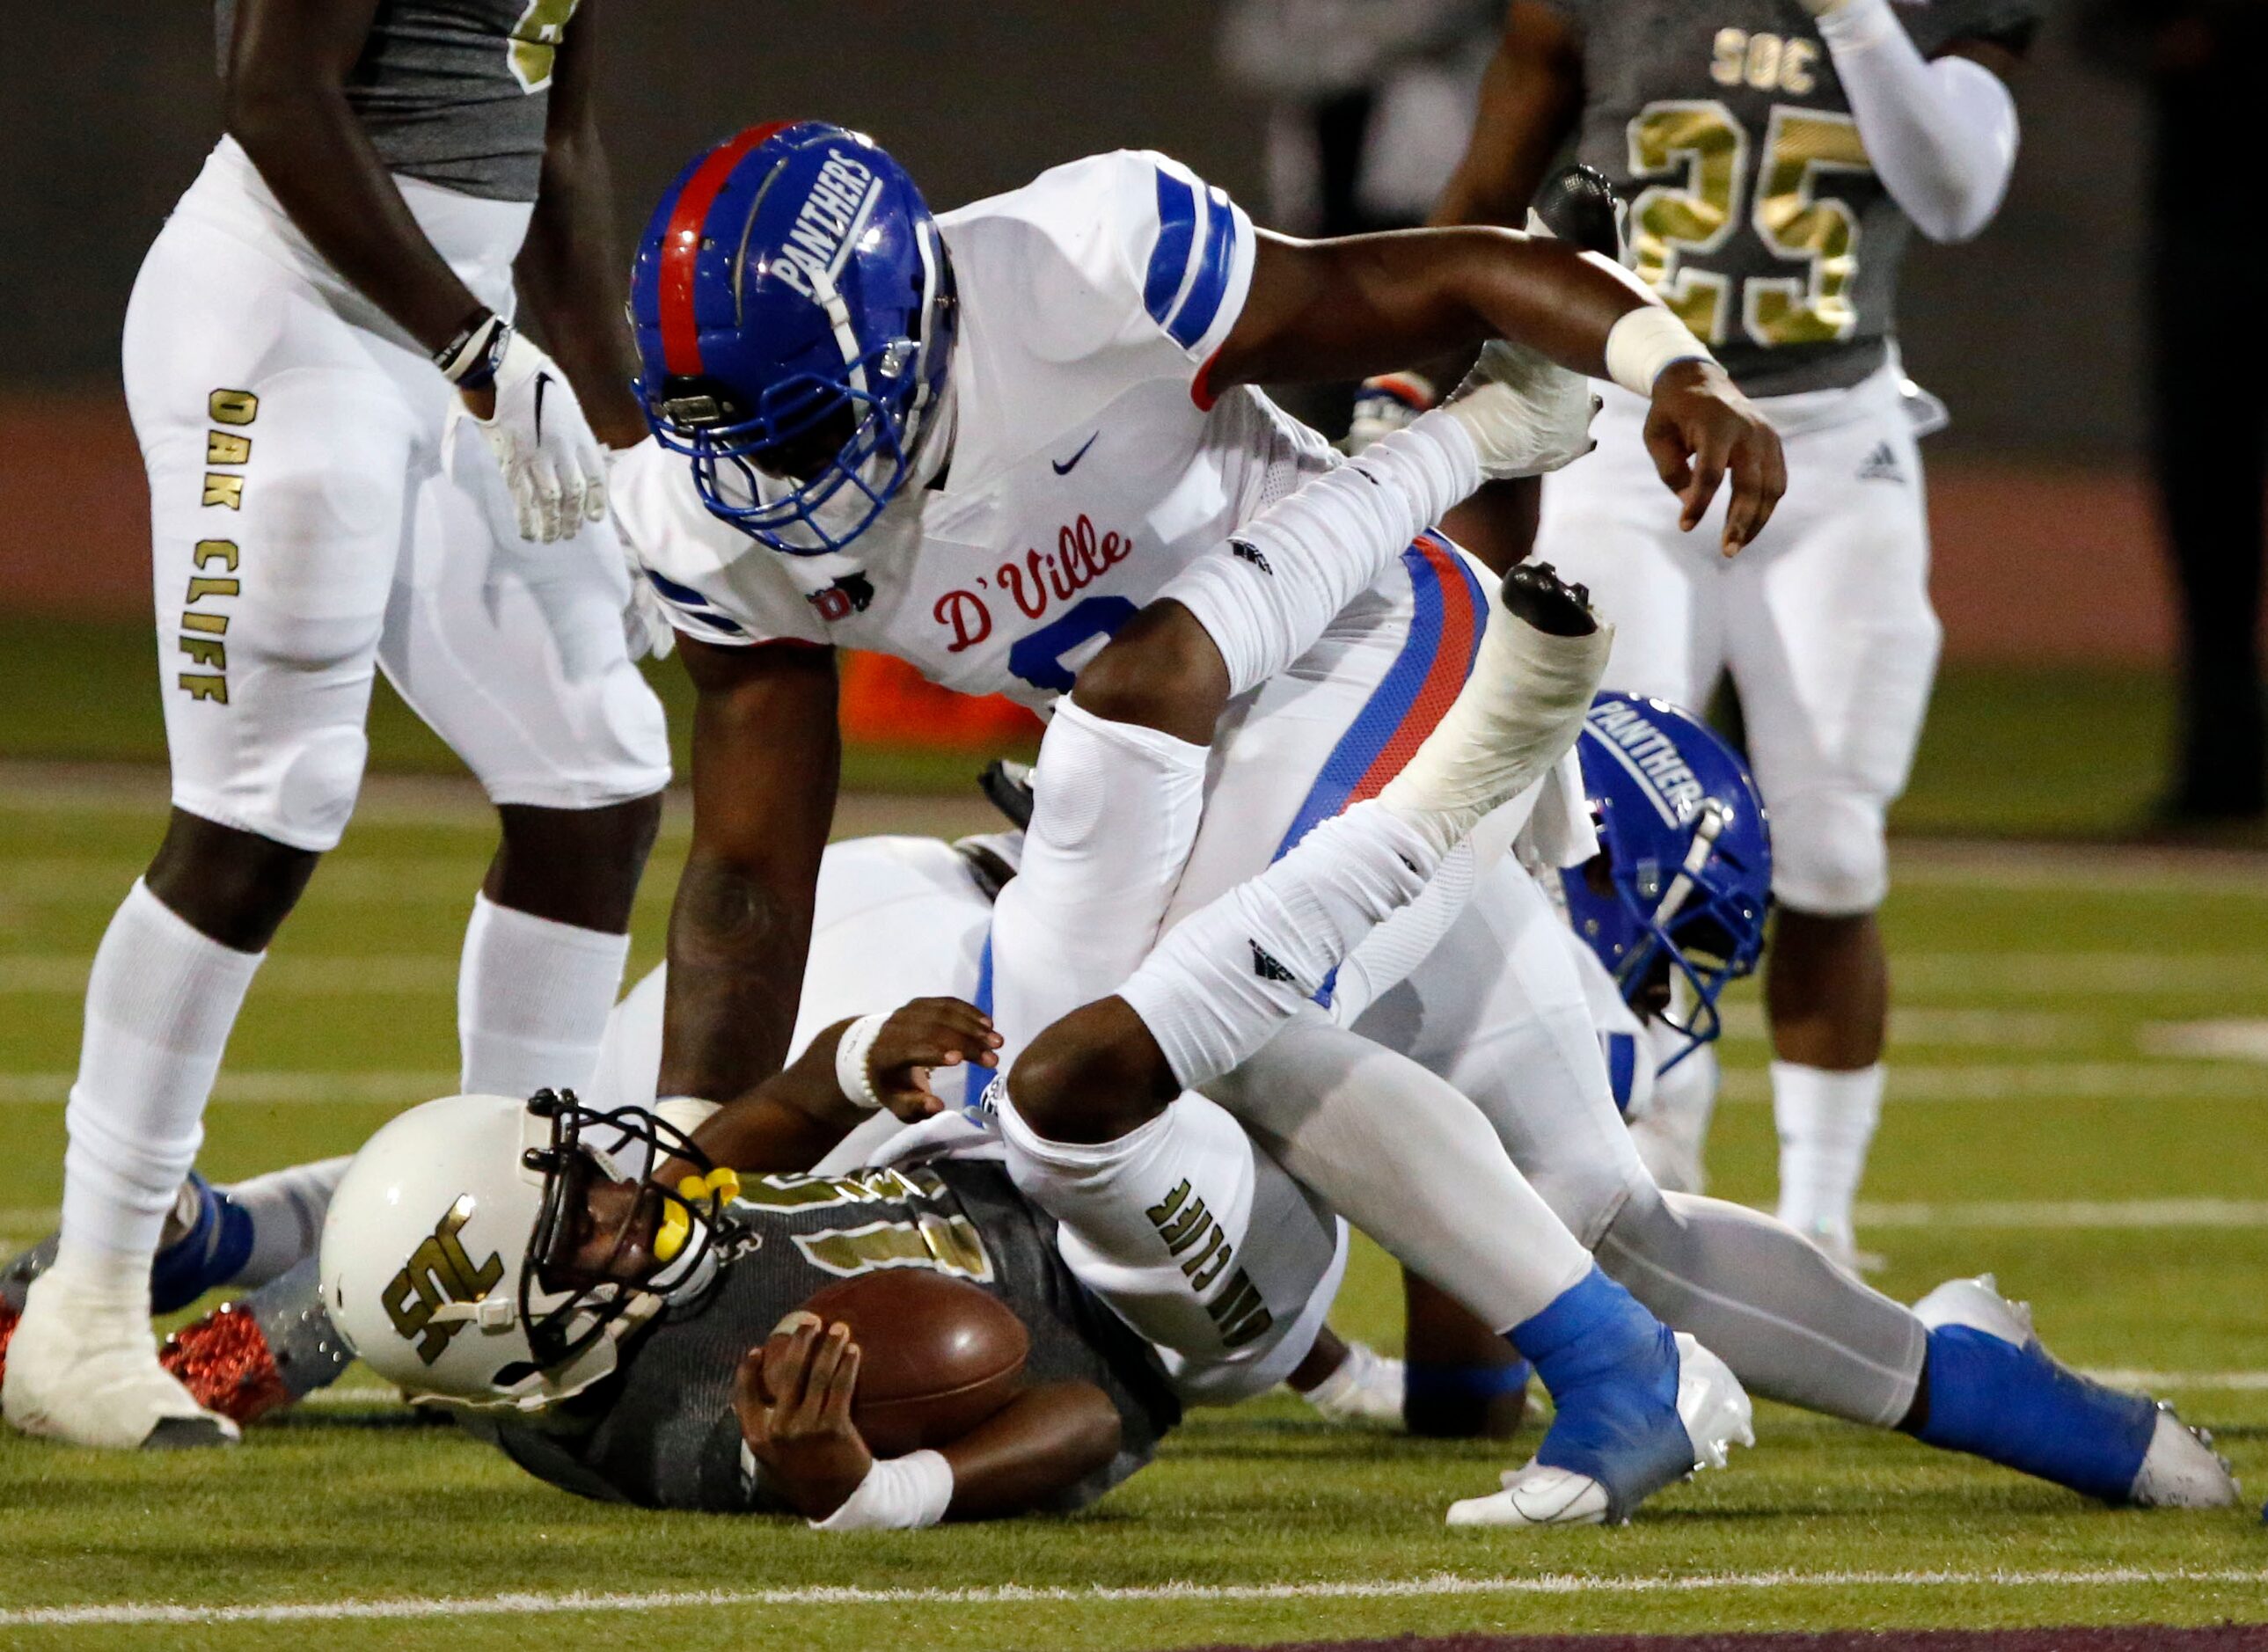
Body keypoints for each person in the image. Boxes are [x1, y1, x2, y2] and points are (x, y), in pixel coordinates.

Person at [1, 0, 672, 1451]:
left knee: (598, 774)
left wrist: (621, 442)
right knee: (266, 799)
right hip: (288, 318)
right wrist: (481, 348)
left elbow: (554, 131)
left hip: (453, 336)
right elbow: (273, 91)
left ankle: (504, 1268)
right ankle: (86, 1308)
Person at [1358, 0, 2040, 1270]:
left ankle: (1821, 1220)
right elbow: (1481, 200)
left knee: (1832, 849)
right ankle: (1648, 1163)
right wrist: (1394, 362)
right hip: (1632, 438)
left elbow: (1951, 191)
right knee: (1621, 826)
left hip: (1837, 445)